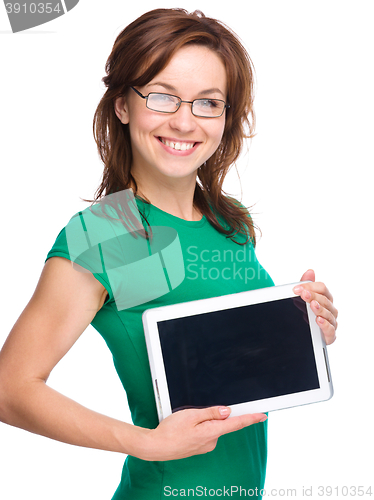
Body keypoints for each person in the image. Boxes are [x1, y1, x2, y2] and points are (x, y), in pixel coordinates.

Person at [0, 8, 338, 499]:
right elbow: (12, 388)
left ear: (226, 117)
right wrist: (146, 443)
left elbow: (218, 363)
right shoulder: (115, 232)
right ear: (122, 105)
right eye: (162, 97)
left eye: (208, 103)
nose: (184, 121)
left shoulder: (230, 221)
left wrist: (303, 329)